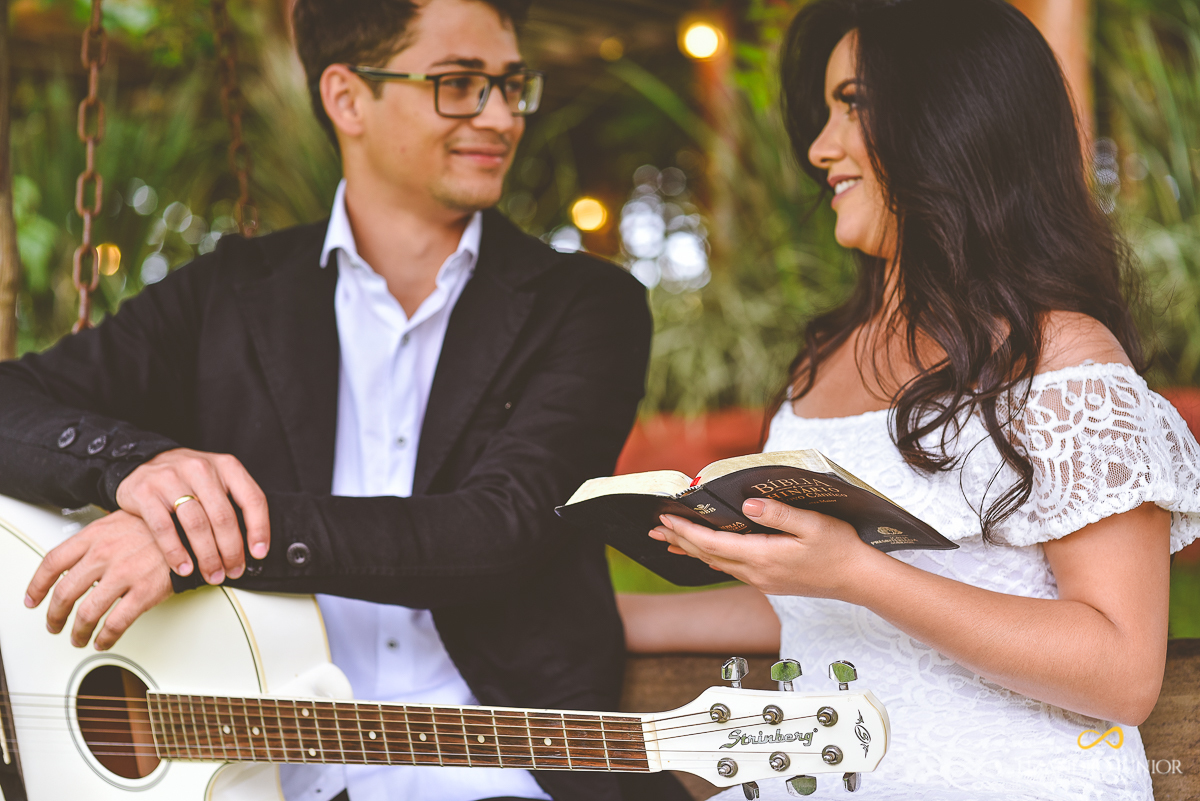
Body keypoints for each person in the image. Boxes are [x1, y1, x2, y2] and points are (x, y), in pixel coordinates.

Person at [0, 1, 688, 800]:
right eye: (459, 84)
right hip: (261, 777)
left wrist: (209, 535)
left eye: (510, 84)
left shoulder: (587, 305)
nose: (500, 115)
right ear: (346, 97)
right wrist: (146, 472)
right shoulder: (227, 294)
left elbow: (501, 527)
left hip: (510, 773)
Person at [619, 0, 1200, 798]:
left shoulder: (1063, 357)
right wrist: (617, 616)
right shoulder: (823, 364)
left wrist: (858, 572)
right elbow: (820, 606)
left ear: (954, 116)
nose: (821, 148)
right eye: (824, 112)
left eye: (852, 104)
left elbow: (1122, 670)